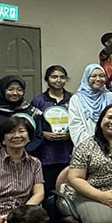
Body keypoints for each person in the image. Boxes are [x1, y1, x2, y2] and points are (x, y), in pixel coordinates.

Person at [30, 65, 74, 193]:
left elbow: (79, 123)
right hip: (46, 154)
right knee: (47, 190)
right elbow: (32, 125)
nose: (58, 80)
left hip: (67, 152)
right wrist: (43, 134)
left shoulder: (73, 99)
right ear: (47, 79)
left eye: (62, 77)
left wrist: (70, 134)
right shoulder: (38, 101)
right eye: (54, 77)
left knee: (66, 190)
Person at [0, 75, 43, 155]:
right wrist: (0, 144)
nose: (15, 93)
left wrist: (20, 150)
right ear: (2, 91)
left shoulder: (32, 112)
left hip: (26, 158)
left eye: (19, 90)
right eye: (10, 89)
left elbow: (38, 136)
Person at [68, 64, 112, 147]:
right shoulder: (76, 99)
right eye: (93, 76)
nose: (98, 79)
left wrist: (109, 144)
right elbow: (75, 126)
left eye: (102, 76)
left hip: (110, 146)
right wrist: (92, 147)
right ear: (86, 78)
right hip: (86, 148)